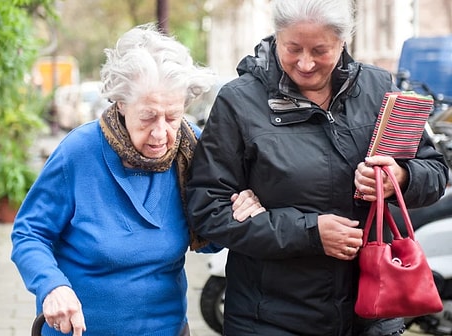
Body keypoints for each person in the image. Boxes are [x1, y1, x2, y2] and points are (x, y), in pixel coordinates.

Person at [185, 0, 449, 335]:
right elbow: (207, 210)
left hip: (371, 316)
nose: (305, 63)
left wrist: (401, 176)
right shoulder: (238, 102)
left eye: (320, 50)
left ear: (342, 42)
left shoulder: (379, 88)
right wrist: (309, 233)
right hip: (270, 319)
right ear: (276, 37)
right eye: (292, 48)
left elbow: (434, 172)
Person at [10, 24, 259, 336]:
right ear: (122, 103)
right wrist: (51, 285)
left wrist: (239, 212)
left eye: (172, 117)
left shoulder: (193, 149)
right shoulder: (79, 152)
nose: (160, 133)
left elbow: (210, 242)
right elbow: (29, 233)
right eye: (147, 117)